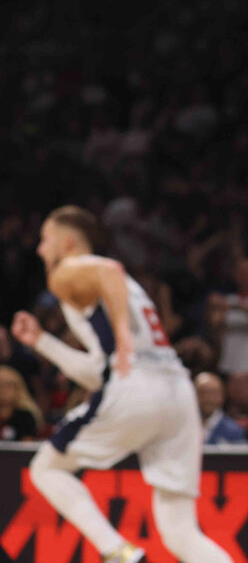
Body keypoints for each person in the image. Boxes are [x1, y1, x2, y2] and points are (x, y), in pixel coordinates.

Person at [10, 206, 232, 563]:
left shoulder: (67, 272)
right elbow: (100, 373)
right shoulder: (122, 287)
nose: (39, 249)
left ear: (67, 242)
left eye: (45, 240)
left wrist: (123, 333)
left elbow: (110, 270)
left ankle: (118, 552)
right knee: (180, 532)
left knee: (46, 468)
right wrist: (42, 342)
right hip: (176, 393)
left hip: (138, 387)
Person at [194, 371, 248, 446]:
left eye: (213, 393)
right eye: (202, 393)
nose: (208, 398)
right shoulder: (182, 427)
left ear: (222, 396)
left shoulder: (234, 431)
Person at [0, 364, 40, 440]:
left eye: (8, 385)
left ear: (18, 388)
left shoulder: (25, 417)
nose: (3, 390)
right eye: (0, 385)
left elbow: (27, 447)